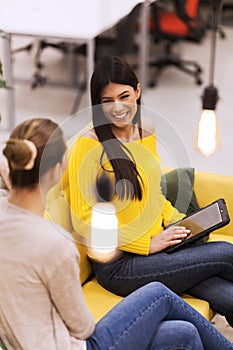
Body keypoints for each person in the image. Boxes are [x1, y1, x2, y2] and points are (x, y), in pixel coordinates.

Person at [0, 119, 232, 350]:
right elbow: (82, 327)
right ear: (58, 169)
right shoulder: (54, 245)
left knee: (184, 333)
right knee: (159, 293)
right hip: (78, 346)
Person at [66, 55, 233, 328]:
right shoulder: (88, 147)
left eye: (124, 96)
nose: (118, 108)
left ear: (138, 91)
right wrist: (146, 244)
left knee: (221, 291)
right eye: (107, 101)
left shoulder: (145, 130)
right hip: (119, 265)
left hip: (158, 249)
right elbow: (86, 224)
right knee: (226, 253)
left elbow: (152, 192)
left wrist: (178, 221)